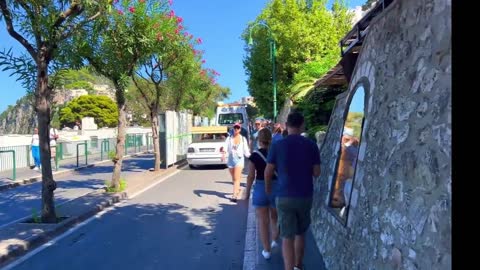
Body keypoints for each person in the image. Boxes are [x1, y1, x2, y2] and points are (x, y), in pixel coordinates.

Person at [265, 112, 321, 270]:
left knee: (287, 237)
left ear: (287, 126)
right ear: (302, 125)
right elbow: (317, 172)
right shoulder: (311, 144)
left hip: (284, 196)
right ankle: (298, 266)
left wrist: (269, 189)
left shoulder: (277, 145)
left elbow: (268, 171)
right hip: (304, 195)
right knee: (300, 233)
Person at [245, 128, 279, 260]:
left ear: (259, 140)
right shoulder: (276, 154)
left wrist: (247, 193)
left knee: (262, 221)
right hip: (276, 187)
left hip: (260, 188)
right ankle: (275, 239)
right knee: (275, 217)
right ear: (271, 139)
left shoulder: (255, 155)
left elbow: (250, 176)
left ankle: (266, 250)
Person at [226, 122, 250, 202]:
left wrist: (252, 157)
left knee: (236, 178)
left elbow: (246, 151)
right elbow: (225, 147)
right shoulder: (229, 138)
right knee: (234, 178)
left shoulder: (243, 139)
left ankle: (234, 195)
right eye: (235, 128)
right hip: (230, 160)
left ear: (240, 129)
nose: (236, 129)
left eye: (238, 128)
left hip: (239, 159)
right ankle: (237, 189)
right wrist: (223, 153)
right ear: (233, 129)